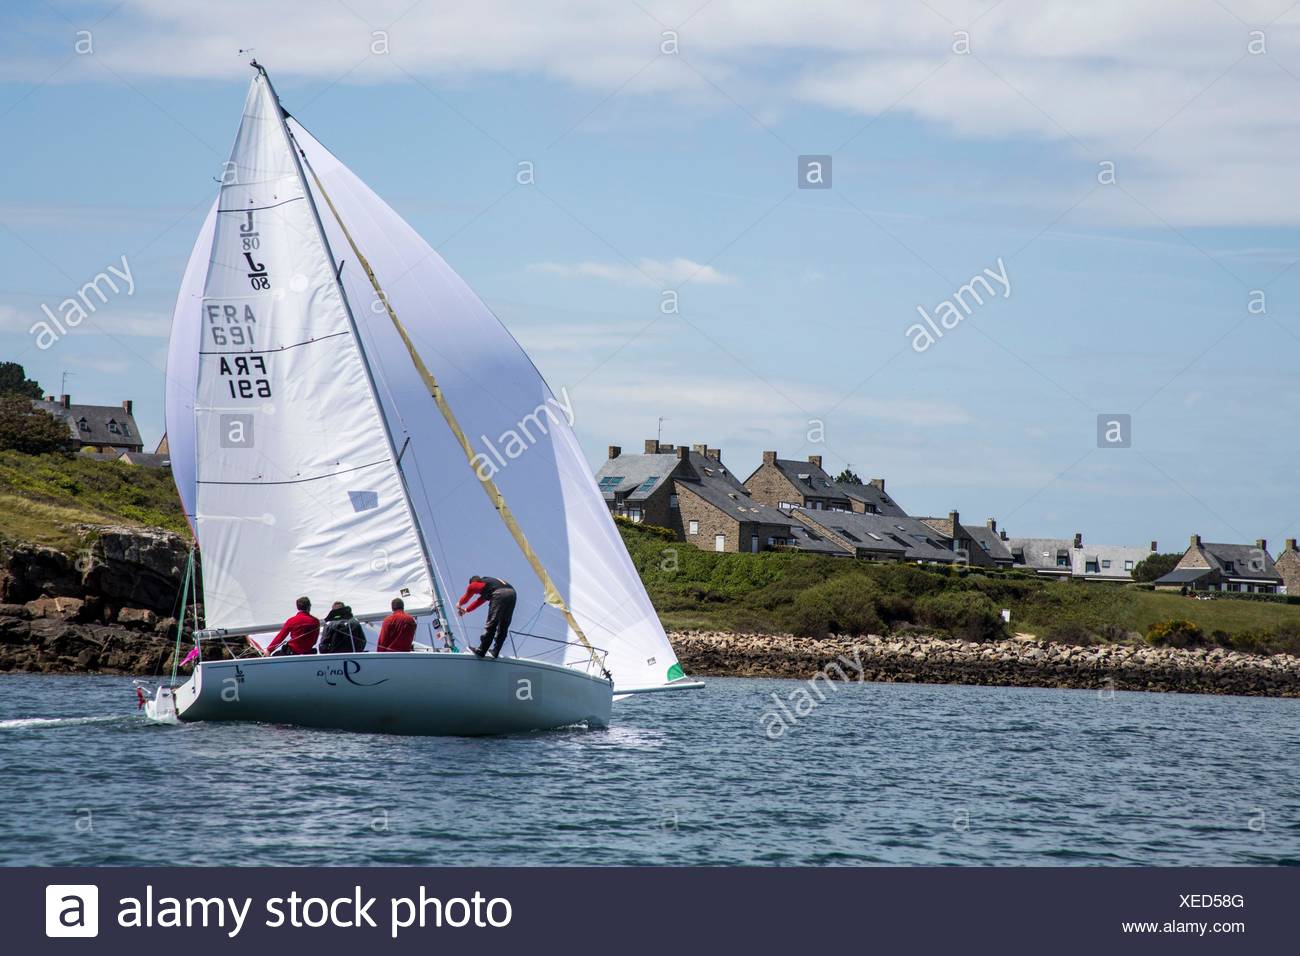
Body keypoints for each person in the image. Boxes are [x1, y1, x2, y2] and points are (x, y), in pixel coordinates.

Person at [457, 575, 516, 659]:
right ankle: (495, 651)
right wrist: (466, 610)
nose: (476, 593)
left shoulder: (475, 583)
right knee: (503, 625)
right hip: (512, 594)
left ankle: (482, 650)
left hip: (499, 594)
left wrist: (459, 603)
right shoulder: (489, 585)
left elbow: (468, 594)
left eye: (476, 592)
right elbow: (479, 601)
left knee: (492, 622)